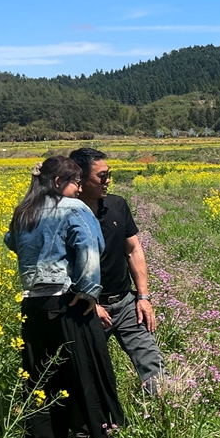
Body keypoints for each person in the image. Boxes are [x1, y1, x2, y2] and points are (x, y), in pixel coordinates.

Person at [4, 157, 124, 438]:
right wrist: (88, 294)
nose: (78, 189)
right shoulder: (72, 207)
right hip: (67, 305)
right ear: (59, 183)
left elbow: (11, 243)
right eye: (74, 183)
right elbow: (89, 249)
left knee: (41, 386)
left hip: (32, 307)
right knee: (91, 379)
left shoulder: (23, 209)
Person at [69, 148, 165, 396]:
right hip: (87, 309)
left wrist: (143, 297)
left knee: (152, 361)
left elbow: (133, 251)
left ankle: (163, 417)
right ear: (80, 179)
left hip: (126, 303)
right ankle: (98, 428)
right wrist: (90, 300)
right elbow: (61, 266)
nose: (108, 180)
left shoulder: (117, 205)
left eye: (109, 174)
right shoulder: (65, 214)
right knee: (88, 372)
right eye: (102, 176)